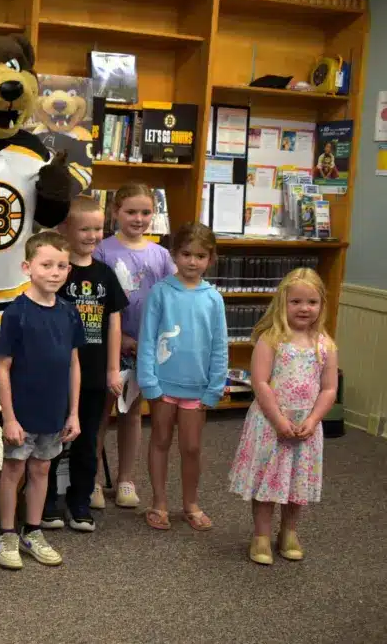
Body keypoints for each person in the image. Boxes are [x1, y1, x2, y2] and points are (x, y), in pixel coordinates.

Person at [229, 268, 336, 564]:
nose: (304, 308)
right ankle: (261, 535)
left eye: (312, 302)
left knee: (296, 484)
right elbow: (261, 382)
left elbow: (329, 389)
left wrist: (313, 420)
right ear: (282, 303)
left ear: (321, 305)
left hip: (305, 427)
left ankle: (289, 532)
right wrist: (278, 420)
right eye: (296, 301)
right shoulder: (271, 339)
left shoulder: (325, 344)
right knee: (267, 483)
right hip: (270, 424)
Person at [0, 231, 84, 569]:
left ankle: (33, 530)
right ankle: (6, 533)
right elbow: (2, 368)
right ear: (27, 267)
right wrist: (10, 418)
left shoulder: (69, 312)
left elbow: (74, 364)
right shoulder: (16, 313)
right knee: (14, 469)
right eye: (47, 265)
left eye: (62, 265)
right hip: (22, 412)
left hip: (54, 412)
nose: (55, 272)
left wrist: (73, 413)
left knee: (43, 468)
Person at [42, 196, 127, 532]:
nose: (93, 235)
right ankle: (46, 502)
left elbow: (115, 324)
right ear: (66, 229)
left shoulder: (105, 275)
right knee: (49, 439)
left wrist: (111, 370)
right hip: (56, 373)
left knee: (87, 441)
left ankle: (79, 503)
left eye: (98, 228)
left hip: (93, 373)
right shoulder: (57, 272)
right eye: (85, 229)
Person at [137, 222, 228, 532]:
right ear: (174, 254)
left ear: (210, 259)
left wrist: (215, 387)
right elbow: (148, 339)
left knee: (191, 448)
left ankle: (190, 503)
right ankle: (159, 502)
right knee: (160, 440)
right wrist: (148, 381)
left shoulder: (214, 298)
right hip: (163, 385)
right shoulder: (161, 292)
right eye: (186, 254)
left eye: (200, 256)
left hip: (197, 389)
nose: (192, 261)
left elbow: (219, 345)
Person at [92, 182, 175, 511]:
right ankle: (93, 481)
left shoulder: (161, 255)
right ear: (115, 213)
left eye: (145, 212)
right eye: (130, 212)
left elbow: (172, 297)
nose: (138, 218)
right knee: (101, 414)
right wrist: (121, 339)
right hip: (108, 346)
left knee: (131, 414)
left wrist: (151, 342)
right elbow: (95, 302)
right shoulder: (103, 251)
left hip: (145, 349)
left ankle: (126, 479)